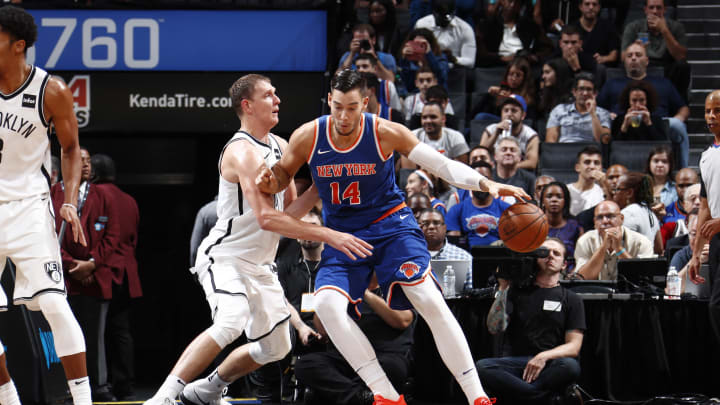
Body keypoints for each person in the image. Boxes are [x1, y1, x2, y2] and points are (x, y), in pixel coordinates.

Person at [257, 69, 530, 405]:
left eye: (352, 107)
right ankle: (385, 395)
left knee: (426, 296)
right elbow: (283, 175)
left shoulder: (385, 132)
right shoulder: (308, 136)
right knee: (326, 305)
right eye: (338, 106)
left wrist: (488, 184)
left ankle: (478, 397)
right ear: (329, 100)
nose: (343, 116)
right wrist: (268, 180)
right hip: (344, 234)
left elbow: (442, 166)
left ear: (366, 103)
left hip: (391, 226)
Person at [144, 74, 372, 405]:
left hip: (261, 264)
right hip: (226, 257)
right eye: (269, 95)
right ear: (247, 106)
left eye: (276, 94)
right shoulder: (242, 151)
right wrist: (328, 233)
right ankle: (163, 398)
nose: (278, 99)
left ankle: (207, 388)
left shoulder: (280, 147)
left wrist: (322, 186)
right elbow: (266, 219)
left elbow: (288, 216)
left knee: (277, 347)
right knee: (231, 320)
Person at [0, 6, 90, 405]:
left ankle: (83, 399)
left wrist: (69, 201)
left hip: (29, 206)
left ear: (18, 45)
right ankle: (7, 396)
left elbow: (70, 149)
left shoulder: (49, 90)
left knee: (53, 302)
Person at [477, 237, 585, 404]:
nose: (550, 256)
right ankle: (542, 397)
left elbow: (574, 346)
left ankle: (525, 395)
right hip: (517, 363)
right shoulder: (516, 291)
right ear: (535, 259)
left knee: (570, 366)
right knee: (482, 367)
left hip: (551, 364)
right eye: (545, 252)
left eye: (556, 253)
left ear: (564, 264)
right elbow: (495, 327)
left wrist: (543, 357)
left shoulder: (572, 299)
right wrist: (503, 288)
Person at [51, 148, 117, 401]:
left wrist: (91, 264)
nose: (87, 165)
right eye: (81, 161)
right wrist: (72, 266)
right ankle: (64, 387)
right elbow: (48, 233)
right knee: (63, 334)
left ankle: (98, 386)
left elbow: (113, 235)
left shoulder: (102, 194)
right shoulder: (53, 194)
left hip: (95, 277)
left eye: (89, 161)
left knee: (94, 335)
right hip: (65, 277)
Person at [296, 274, 416, 405]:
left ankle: (351, 395)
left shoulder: (396, 285)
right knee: (306, 364)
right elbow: (323, 330)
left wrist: (364, 292)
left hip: (385, 355)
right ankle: (361, 398)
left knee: (392, 368)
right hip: (346, 357)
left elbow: (403, 320)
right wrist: (327, 297)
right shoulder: (343, 289)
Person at [91, 153, 142, 400]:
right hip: (127, 273)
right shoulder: (130, 200)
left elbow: (99, 233)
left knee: (97, 331)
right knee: (121, 331)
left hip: (103, 272)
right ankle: (125, 385)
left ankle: (99, 385)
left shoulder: (96, 195)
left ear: (94, 173)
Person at [597, 43, 690, 168]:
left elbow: (683, 108)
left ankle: (682, 169)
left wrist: (675, 120)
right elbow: (597, 108)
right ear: (624, 61)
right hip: (620, 121)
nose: (634, 58)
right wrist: (607, 115)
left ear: (646, 61)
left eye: (638, 55)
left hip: (659, 121)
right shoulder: (612, 83)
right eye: (629, 55)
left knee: (677, 125)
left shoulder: (663, 83)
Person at [688, 90, 720, 342]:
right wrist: (696, 253)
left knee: (716, 307)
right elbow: (705, 208)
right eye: (708, 111)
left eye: (718, 110)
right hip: (717, 241)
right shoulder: (706, 156)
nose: (711, 116)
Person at [621, 0, 689, 100]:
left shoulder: (676, 27)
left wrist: (664, 30)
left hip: (668, 65)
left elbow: (681, 56)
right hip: (644, 65)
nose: (655, 11)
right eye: (651, 8)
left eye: (659, 8)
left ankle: (679, 103)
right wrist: (636, 48)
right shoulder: (633, 27)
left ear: (665, 10)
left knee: (683, 66)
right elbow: (623, 57)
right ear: (645, 10)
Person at [575, 201, 654, 280]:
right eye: (599, 218)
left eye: (610, 216)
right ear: (594, 222)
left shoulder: (641, 242)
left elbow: (642, 278)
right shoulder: (584, 241)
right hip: (595, 291)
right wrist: (603, 248)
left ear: (622, 218)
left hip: (630, 291)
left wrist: (618, 249)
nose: (605, 221)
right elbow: (583, 277)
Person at [447, 161, 512, 247]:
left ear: (492, 181)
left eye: (485, 179)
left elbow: (513, 239)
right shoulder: (457, 209)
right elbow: (453, 242)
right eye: (476, 180)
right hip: (468, 256)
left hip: (498, 256)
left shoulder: (505, 208)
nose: (481, 184)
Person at [477, 0, 552, 67]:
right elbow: (480, 54)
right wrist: (500, 58)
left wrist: (533, 57)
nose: (512, 5)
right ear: (501, 2)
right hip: (497, 67)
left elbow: (547, 48)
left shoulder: (529, 25)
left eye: (516, 2)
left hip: (524, 66)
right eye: (509, 1)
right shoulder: (488, 26)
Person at [546, 72, 611, 144]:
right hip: (565, 151)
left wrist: (593, 114)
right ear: (574, 92)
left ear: (595, 93)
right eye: (581, 89)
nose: (585, 93)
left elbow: (604, 141)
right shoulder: (559, 110)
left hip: (590, 153)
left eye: (589, 89)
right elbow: (550, 142)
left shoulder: (603, 114)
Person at [479, 94, 539, 170]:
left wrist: (506, 167)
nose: (509, 114)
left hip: (518, 174)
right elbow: (480, 154)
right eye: (506, 110)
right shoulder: (491, 130)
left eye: (514, 110)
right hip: (492, 173)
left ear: (523, 115)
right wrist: (496, 134)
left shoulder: (530, 135)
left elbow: (532, 163)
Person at [414, 0, 476, 68]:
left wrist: (453, 59)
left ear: (454, 12)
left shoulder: (465, 29)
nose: (444, 21)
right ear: (434, 12)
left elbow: (470, 62)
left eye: (447, 18)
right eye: (441, 17)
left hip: (455, 71)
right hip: (427, 69)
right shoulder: (422, 25)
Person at [472, 56, 537, 121]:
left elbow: (529, 120)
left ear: (524, 78)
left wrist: (512, 100)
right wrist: (489, 96)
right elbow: (473, 115)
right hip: (496, 126)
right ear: (506, 76)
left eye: (518, 75)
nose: (513, 78)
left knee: (481, 117)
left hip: (516, 126)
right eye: (511, 74)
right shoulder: (500, 92)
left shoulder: (529, 97)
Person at [613, 172, 663, 254]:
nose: (614, 193)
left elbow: (620, 248)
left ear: (629, 193)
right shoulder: (650, 212)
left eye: (617, 189)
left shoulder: (628, 213)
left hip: (632, 264)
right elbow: (659, 249)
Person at [576, 163, 628, 231]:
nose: (615, 181)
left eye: (619, 177)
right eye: (611, 178)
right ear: (604, 182)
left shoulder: (635, 210)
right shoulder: (587, 216)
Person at [397, 28, 450, 94]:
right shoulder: (408, 61)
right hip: (415, 96)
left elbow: (441, 77)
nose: (418, 47)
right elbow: (407, 84)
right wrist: (404, 59)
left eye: (422, 44)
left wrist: (429, 54)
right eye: (415, 44)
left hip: (437, 94)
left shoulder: (441, 58)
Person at [540, 182, 584, 261]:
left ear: (565, 201)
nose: (554, 200)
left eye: (559, 197)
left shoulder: (575, 227)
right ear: (543, 201)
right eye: (549, 196)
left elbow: (581, 258)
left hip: (569, 271)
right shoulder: (535, 227)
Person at [571, 0, 619, 67]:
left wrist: (603, 59)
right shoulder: (572, 28)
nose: (591, 7)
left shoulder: (608, 27)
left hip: (600, 69)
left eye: (594, 4)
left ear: (599, 7)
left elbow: (614, 55)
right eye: (587, 4)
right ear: (580, 7)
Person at [567, 146, 605, 217]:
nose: (592, 166)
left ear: (601, 168)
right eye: (587, 162)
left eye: (596, 163)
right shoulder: (565, 190)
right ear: (577, 167)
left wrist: (606, 185)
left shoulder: (604, 192)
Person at [536, 58, 573, 122]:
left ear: (559, 73)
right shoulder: (546, 95)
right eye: (543, 73)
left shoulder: (571, 97)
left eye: (547, 72)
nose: (543, 76)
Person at [190, 197, 218, 267]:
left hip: (213, 267)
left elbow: (194, 251)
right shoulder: (245, 211)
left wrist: (195, 273)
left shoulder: (206, 212)